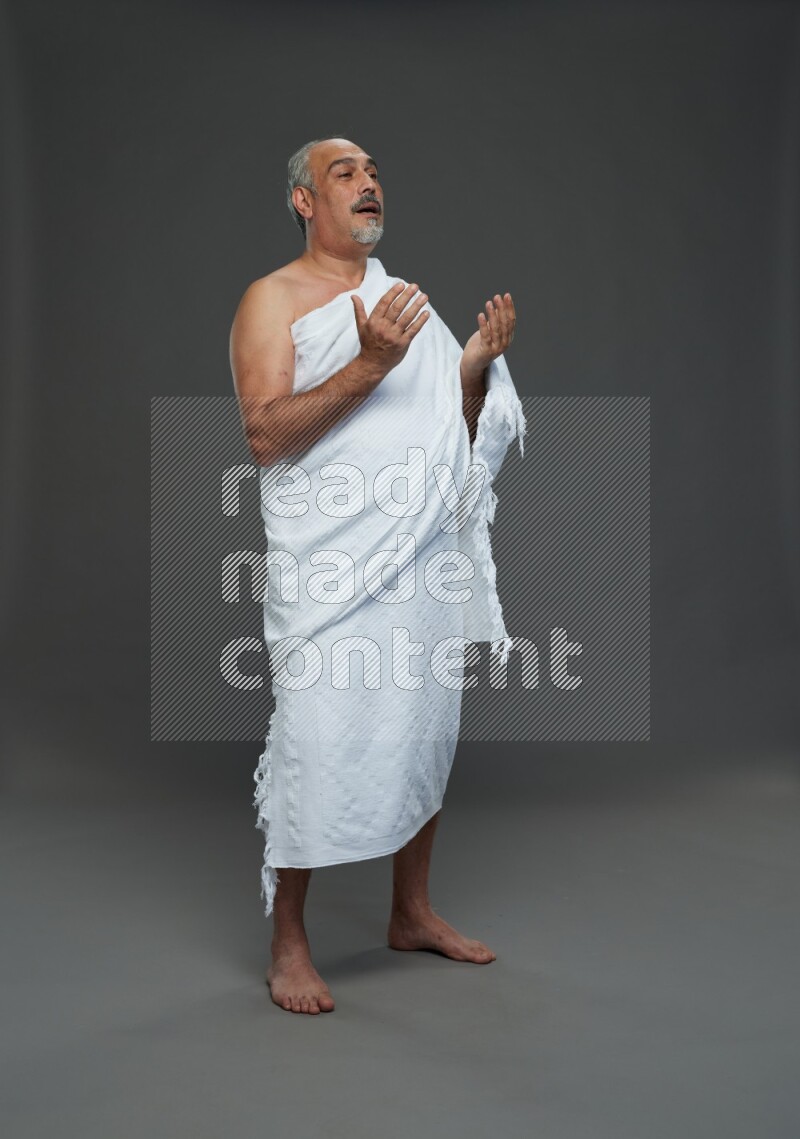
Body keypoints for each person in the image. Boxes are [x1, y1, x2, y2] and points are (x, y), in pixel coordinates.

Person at [229, 136, 522, 1014]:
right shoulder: (271, 299)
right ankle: (288, 941)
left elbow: (449, 435)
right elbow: (265, 435)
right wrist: (368, 365)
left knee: (422, 723)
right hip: (332, 565)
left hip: (418, 555)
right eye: (345, 174)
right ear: (303, 200)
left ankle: (411, 910)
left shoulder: (403, 304)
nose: (368, 185)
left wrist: (472, 369)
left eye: (373, 173)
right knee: (315, 735)